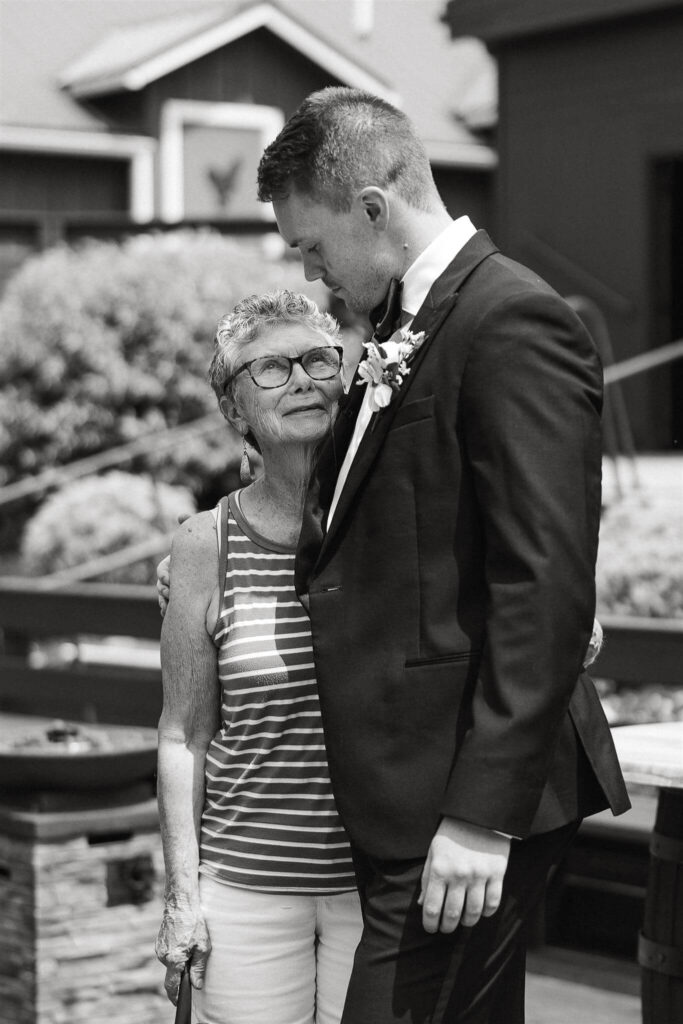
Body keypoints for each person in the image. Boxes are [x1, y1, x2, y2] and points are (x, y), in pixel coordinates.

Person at [252, 87, 631, 1023]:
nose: (313, 274)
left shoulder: (510, 321)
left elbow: (541, 581)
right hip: (408, 787)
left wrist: (479, 815)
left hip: (460, 798)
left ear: (372, 210)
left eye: (312, 245)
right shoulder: (397, 328)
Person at [154, 291, 363, 1024]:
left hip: (377, 883)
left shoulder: (388, 522)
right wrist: (183, 897)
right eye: (271, 368)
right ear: (235, 409)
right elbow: (182, 735)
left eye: (317, 359)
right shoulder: (203, 545)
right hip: (245, 887)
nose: (303, 378)